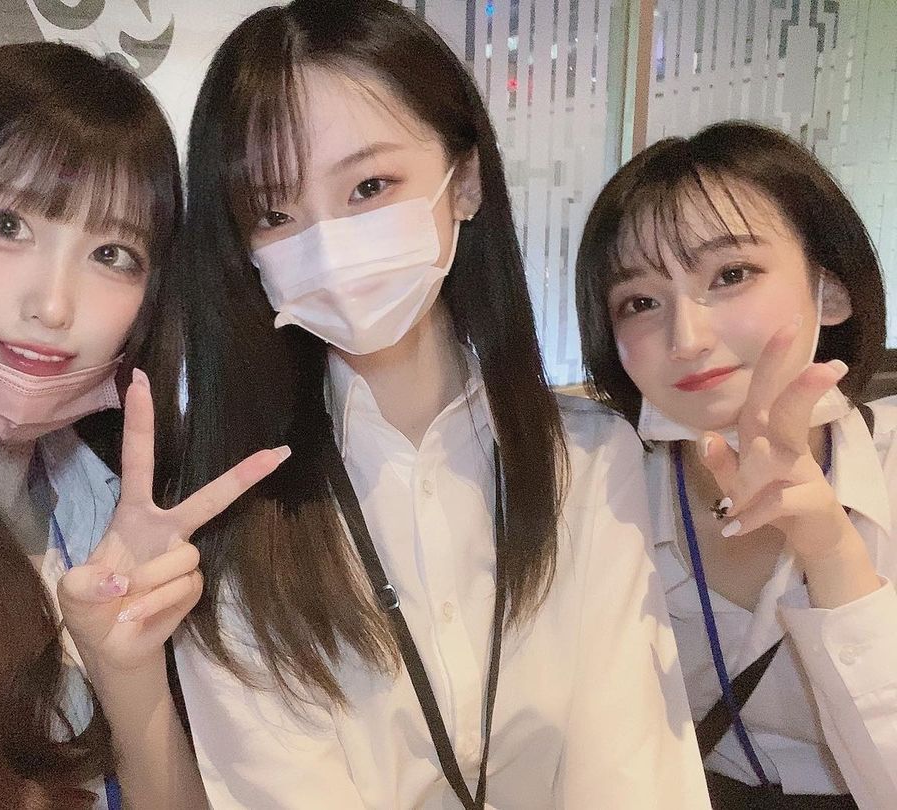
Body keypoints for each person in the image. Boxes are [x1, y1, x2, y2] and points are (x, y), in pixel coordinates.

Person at [170, 1, 710, 806]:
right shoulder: (229, 507)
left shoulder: (591, 460)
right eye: (275, 214)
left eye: (369, 186)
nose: (329, 244)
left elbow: (631, 769)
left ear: (465, 182)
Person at [0, 42, 284, 809]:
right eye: (5, 224)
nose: (54, 305)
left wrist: (129, 667)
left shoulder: (116, 514)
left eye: (112, 253)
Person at [575, 120, 897, 808]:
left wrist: (830, 549)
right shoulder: (599, 493)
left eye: (730, 275)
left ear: (830, 291)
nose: (687, 338)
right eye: (641, 302)